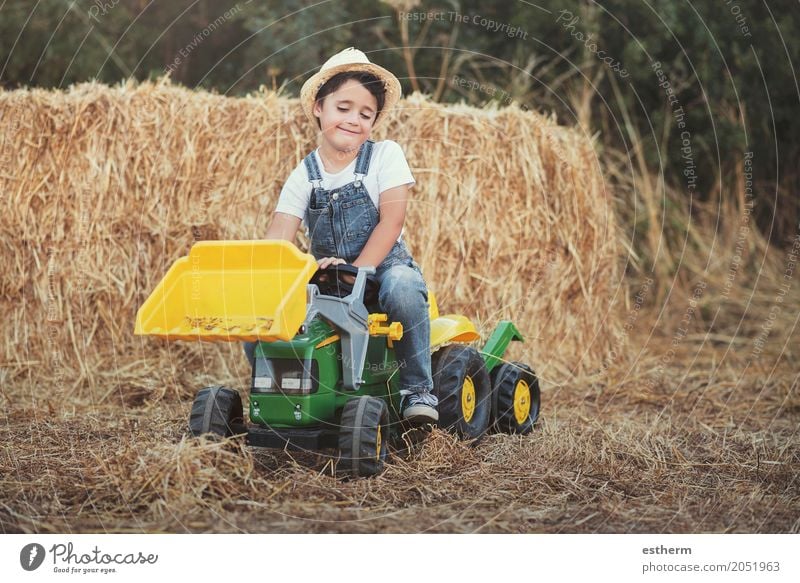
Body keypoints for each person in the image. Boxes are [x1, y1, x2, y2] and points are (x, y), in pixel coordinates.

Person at [256, 47, 438, 424]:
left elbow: (392, 220)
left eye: (365, 113)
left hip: (381, 270)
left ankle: (417, 390)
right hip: (328, 279)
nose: (353, 119)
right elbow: (278, 238)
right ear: (319, 108)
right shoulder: (304, 173)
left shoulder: (385, 156)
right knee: (262, 313)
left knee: (404, 286)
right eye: (343, 108)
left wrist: (358, 270)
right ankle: (276, 391)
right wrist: (263, 279)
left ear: (373, 121)